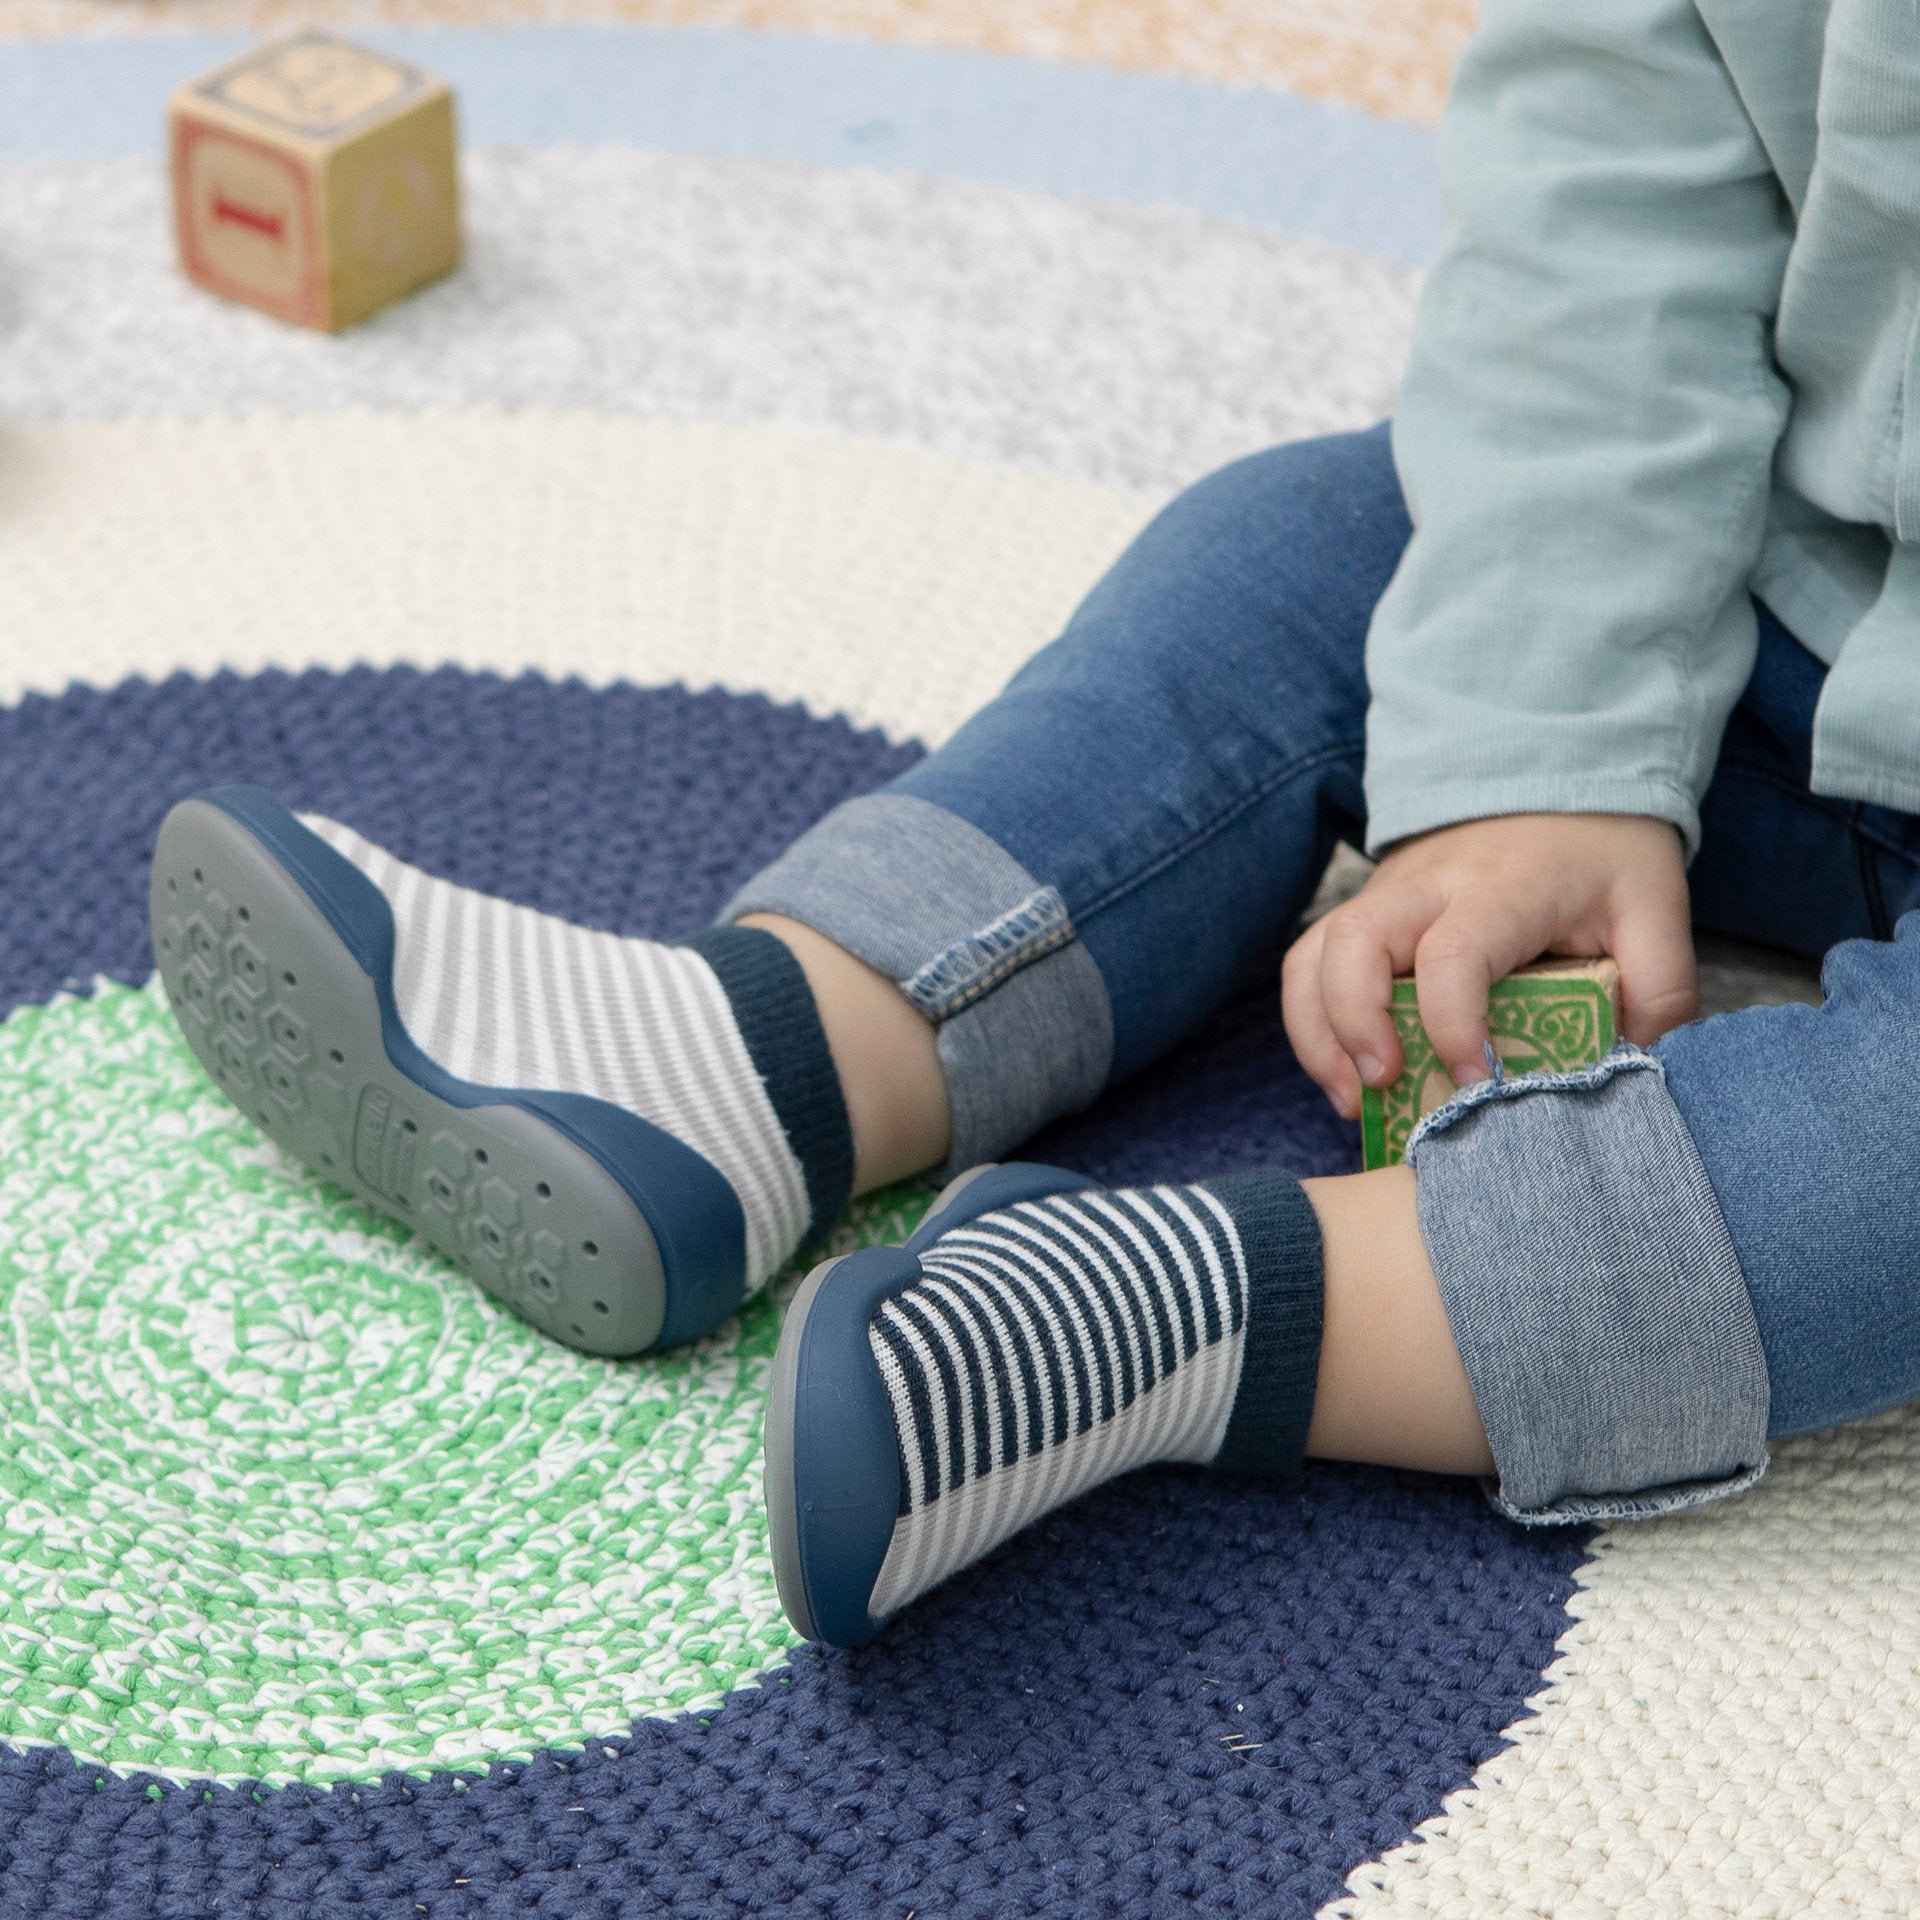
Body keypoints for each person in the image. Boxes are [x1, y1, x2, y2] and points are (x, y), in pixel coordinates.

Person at [151, 0, 1920, 1650]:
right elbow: (1612, 180)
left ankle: (1181, 1309)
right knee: (1310, 547)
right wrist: (1540, 740)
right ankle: (762, 1056)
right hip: (1788, 585)